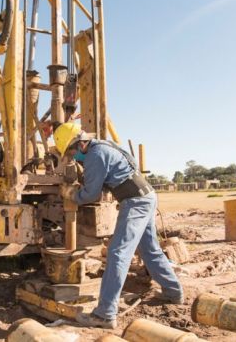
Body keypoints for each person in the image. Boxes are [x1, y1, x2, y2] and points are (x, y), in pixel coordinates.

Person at [54, 123, 184, 329]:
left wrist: (69, 193)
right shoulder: (105, 145)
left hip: (135, 201)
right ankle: (173, 292)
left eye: (71, 152)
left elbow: (90, 194)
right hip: (146, 196)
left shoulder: (95, 156)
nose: (72, 157)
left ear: (78, 145)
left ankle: (105, 315)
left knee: (117, 253)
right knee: (149, 250)